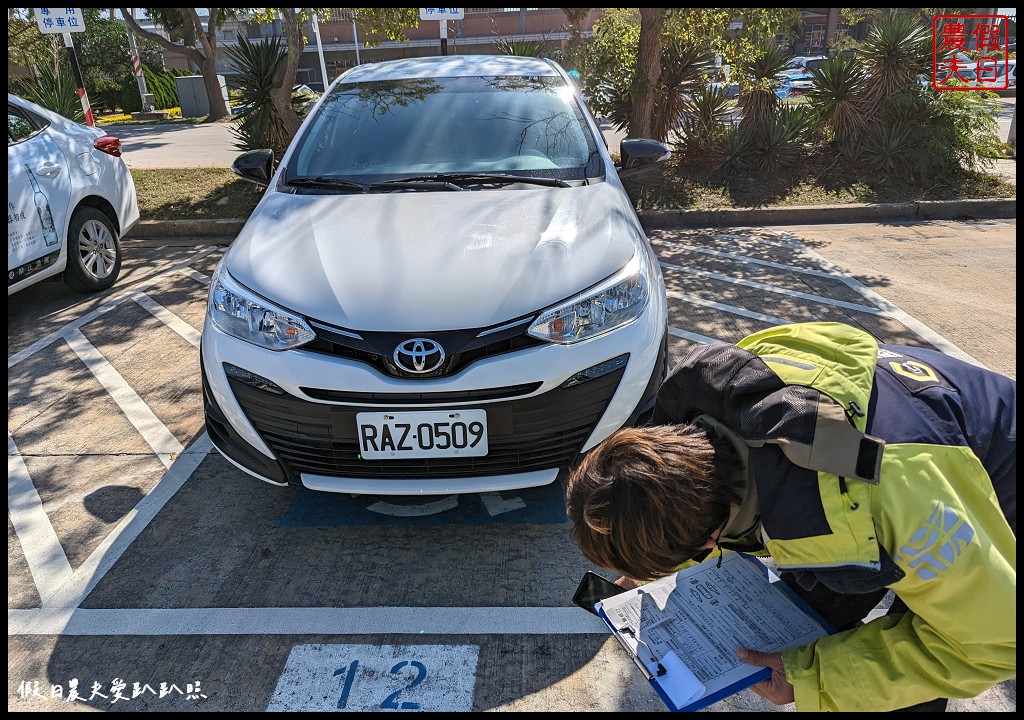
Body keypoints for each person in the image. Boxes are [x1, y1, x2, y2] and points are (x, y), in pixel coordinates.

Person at [565, 322, 1015, 712]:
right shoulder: (714, 408)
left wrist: (816, 679)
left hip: (984, 492)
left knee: (901, 673)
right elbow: (699, 504)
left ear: (710, 539)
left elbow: (994, 643)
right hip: (910, 456)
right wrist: (655, 564)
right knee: (804, 614)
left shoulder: (897, 510)